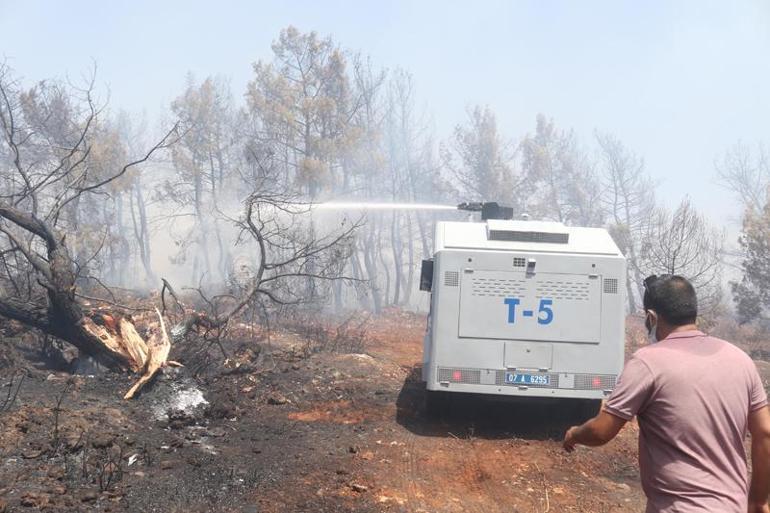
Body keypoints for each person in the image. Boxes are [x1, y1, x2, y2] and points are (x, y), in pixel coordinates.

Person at [562, 274, 770, 513]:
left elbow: (601, 432)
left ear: (652, 317)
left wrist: (575, 434)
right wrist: (758, 501)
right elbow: (765, 432)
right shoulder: (740, 360)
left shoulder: (647, 363)